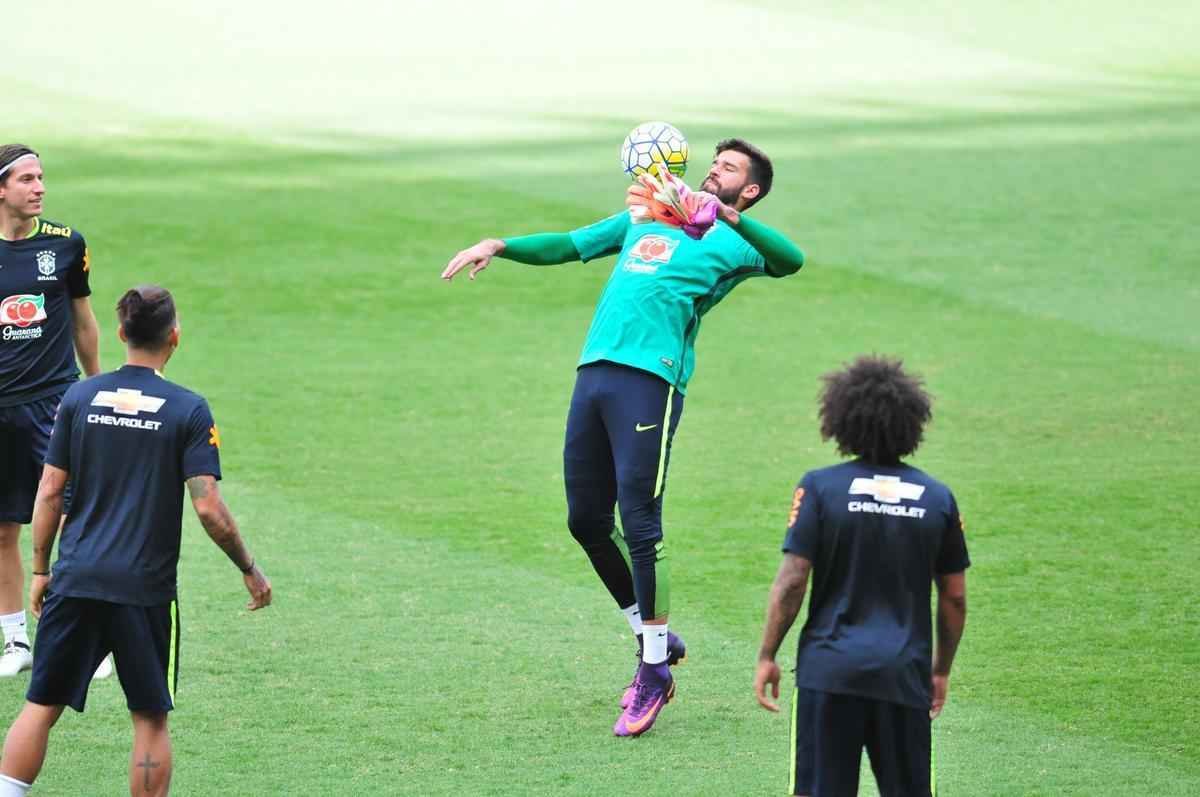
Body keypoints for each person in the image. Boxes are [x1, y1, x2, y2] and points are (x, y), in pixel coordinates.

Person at [443, 139, 807, 736]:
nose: (714, 170)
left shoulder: (736, 240)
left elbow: (792, 260)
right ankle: (653, 635)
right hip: (594, 373)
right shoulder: (646, 214)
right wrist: (499, 245)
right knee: (585, 520)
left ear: (750, 190)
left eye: (729, 169)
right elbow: (570, 244)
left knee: (640, 521)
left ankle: (655, 670)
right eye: (715, 162)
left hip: (651, 381)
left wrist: (730, 217)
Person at [0, 285, 272, 797]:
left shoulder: (80, 397)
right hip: (143, 591)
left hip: (76, 579)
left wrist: (40, 569)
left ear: (122, 333)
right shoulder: (188, 409)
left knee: (41, 706)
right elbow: (209, 508)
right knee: (149, 717)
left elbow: (50, 491)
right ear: (175, 336)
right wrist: (249, 568)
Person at [754, 355, 969, 797]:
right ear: (913, 421)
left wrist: (767, 654)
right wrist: (940, 670)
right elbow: (954, 598)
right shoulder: (937, 498)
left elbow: (793, 580)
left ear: (840, 418)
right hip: (903, 675)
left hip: (829, 674)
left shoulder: (820, 488)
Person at [0, 144, 101, 677]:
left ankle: (84, 642)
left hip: (55, 405)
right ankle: (15, 641)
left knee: (77, 519)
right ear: (1, 190)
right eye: (26, 179)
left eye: (41, 177)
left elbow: (83, 320)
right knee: (3, 529)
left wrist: (96, 386)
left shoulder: (65, 244)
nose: (39, 187)